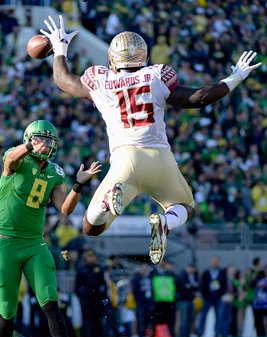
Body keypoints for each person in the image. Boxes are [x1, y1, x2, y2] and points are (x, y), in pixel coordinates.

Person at [40, 15, 262, 265]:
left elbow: (62, 80)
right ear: (143, 57)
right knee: (184, 206)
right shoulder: (156, 76)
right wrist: (236, 77)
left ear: (112, 58)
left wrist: (59, 47)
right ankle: (166, 222)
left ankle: (105, 202)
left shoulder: (102, 81)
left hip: (124, 161)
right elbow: (199, 98)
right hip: (159, 159)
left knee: (91, 228)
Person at [0, 119, 101, 337]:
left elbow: (65, 209)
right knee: (7, 310)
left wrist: (79, 185)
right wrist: (28, 147)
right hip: (5, 244)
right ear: (30, 139)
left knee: (50, 302)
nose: (47, 145)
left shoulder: (54, 172)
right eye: (41, 139)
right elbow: (10, 159)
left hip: (35, 243)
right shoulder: (16, 158)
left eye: (50, 140)